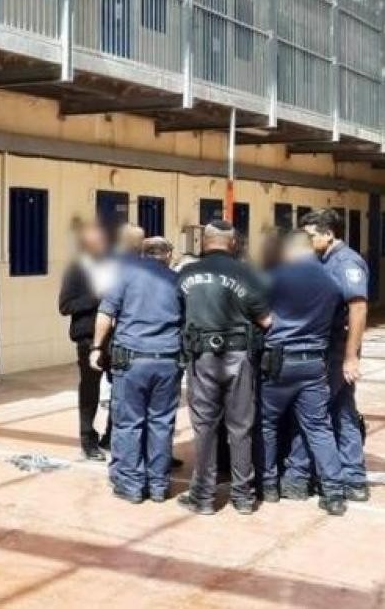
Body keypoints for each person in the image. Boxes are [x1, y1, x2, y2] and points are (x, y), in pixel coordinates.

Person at [176, 221, 272, 515]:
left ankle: (203, 497)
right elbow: (267, 320)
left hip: (202, 357)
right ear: (232, 243)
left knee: (204, 427)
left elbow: (176, 313)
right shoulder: (247, 273)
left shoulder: (186, 273)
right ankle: (243, 497)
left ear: (204, 242)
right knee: (241, 427)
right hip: (239, 356)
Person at [284, 209, 371, 502]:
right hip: (331, 347)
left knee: (312, 412)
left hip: (336, 350)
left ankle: (299, 476)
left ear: (329, 234)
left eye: (310, 236)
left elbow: (358, 308)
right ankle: (353, 478)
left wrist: (350, 357)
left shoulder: (346, 263)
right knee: (342, 412)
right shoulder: (324, 261)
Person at [258, 231, 346, 516]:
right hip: (315, 363)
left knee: (267, 423)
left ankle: (268, 486)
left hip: (278, 361)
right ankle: (334, 493)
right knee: (318, 427)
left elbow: (255, 311)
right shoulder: (331, 281)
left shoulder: (274, 277)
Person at [90, 237, 182, 503]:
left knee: (129, 423)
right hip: (167, 360)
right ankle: (158, 486)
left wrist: (97, 347)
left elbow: (105, 314)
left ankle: (130, 485)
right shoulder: (178, 281)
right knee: (161, 423)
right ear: (168, 255)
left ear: (142, 254)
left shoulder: (124, 276)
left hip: (131, 361)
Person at [59, 223, 114, 461]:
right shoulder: (75, 270)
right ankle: (87, 439)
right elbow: (65, 306)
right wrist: (96, 297)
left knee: (120, 389)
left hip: (115, 338)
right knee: (90, 390)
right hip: (88, 339)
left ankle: (111, 436)